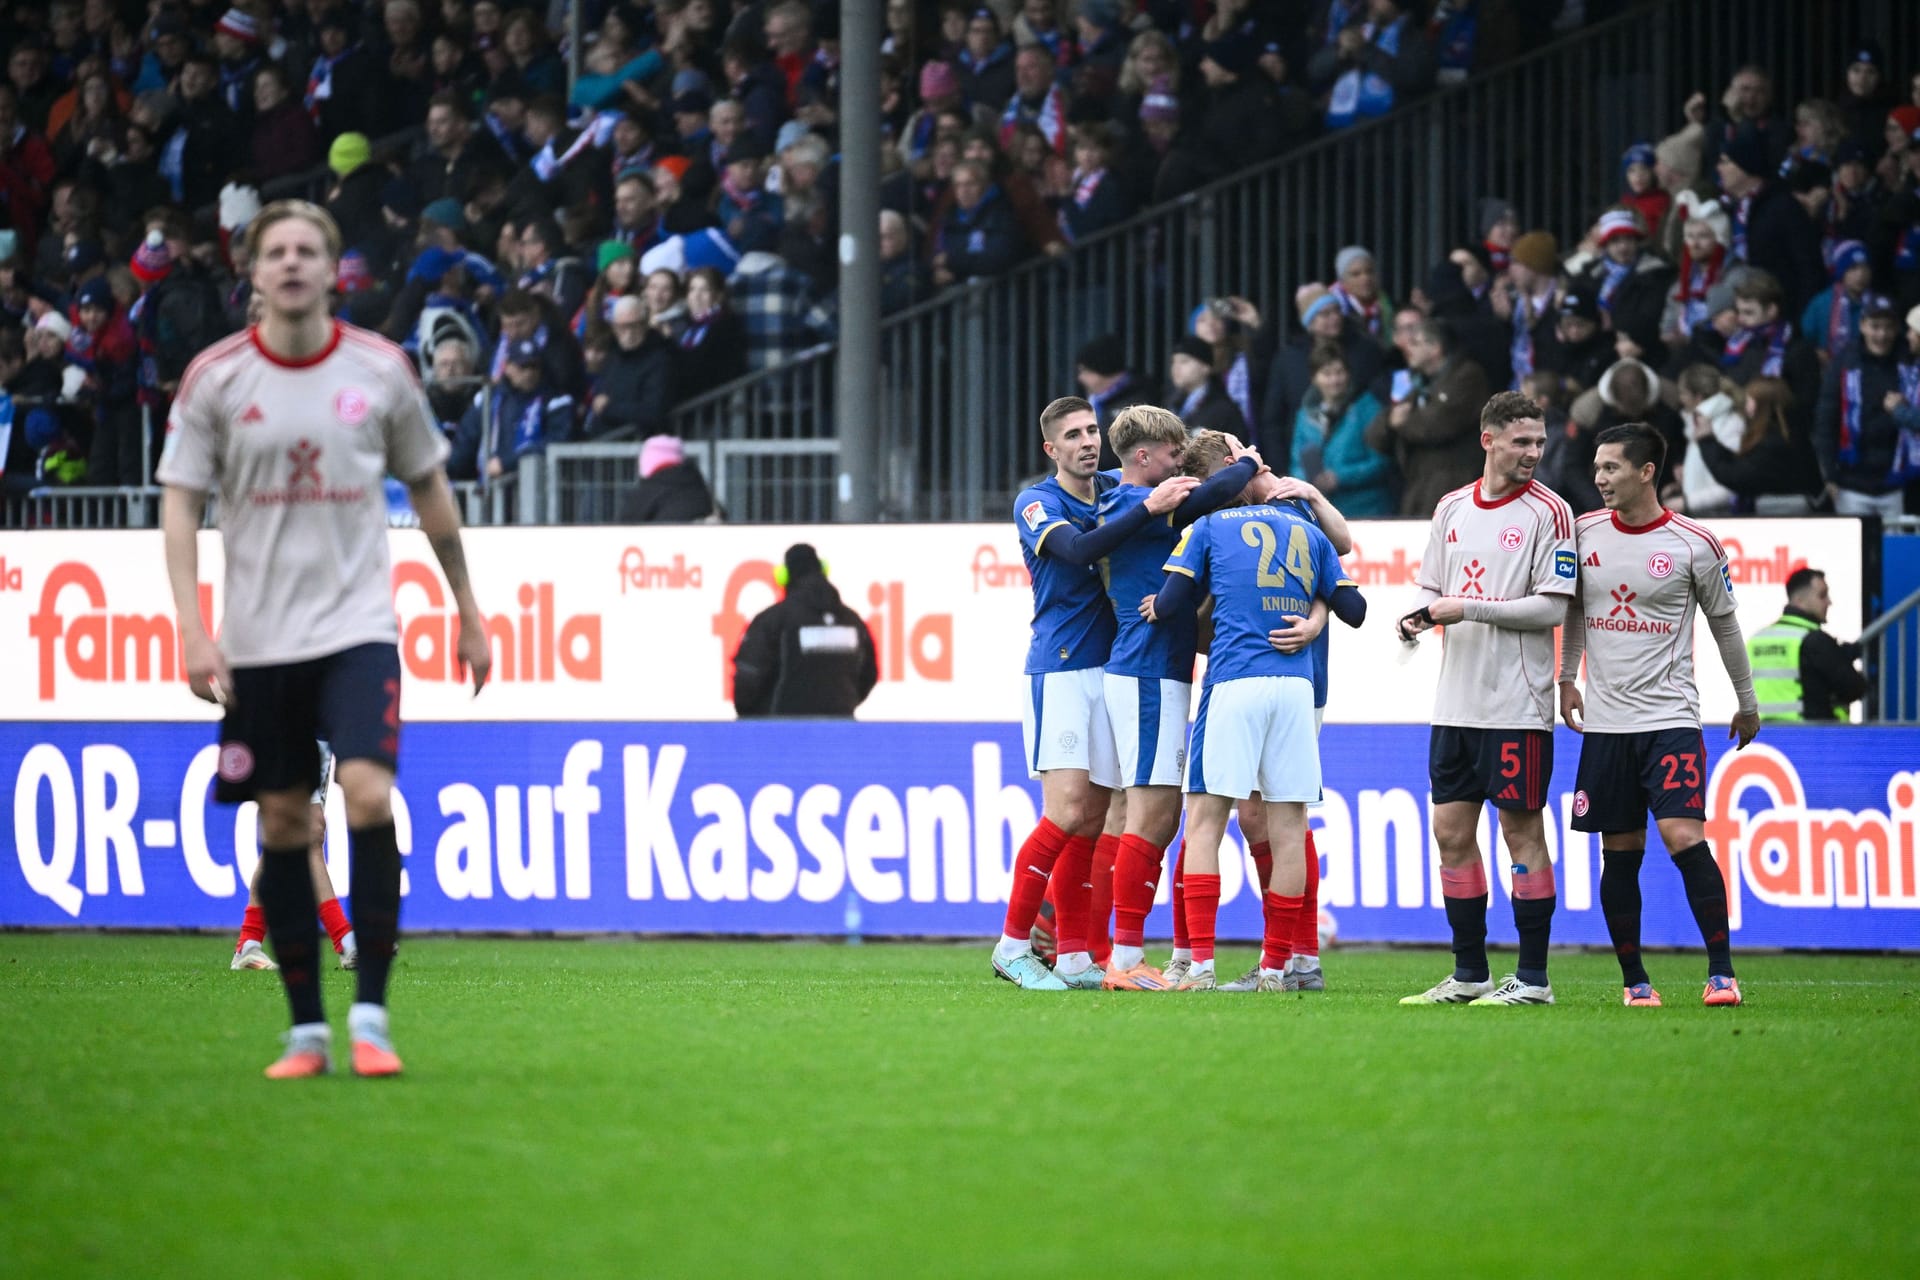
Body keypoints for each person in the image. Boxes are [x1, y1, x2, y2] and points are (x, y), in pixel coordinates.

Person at [158, 200, 491, 1079]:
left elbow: (431, 494)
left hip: (358, 630)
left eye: (310, 249)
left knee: (369, 796)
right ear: (254, 270)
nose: (294, 263)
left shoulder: (381, 372)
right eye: (278, 251)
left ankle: (372, 1016)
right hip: (261, 641)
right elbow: (182, 502)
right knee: (281, 817)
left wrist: (468, 608)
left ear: (333, 267)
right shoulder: (216, 380)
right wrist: (192, 627)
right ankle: (307, 1031)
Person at [992, 396, 1196, 990]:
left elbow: (1168, 480)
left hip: (1112, 669)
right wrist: (1148, 508)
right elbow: (1079, 551)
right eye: (1073, 435)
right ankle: (1012, 944)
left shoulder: (1115, 486)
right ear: (1051, 449)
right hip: (1059, 667)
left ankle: (1077, 953)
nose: (1087, 441)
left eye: (1092, 431)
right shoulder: (1037, 501)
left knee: (1094, 819)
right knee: (1064, 810)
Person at [1558, 422, 1760, 1008]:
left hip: (1670, 717)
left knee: (1681, 835)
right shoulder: (1582, 532)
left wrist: (1746, 703)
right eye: (1596, 468)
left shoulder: (1694, 543)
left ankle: (1721, 973)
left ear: (1647, 472)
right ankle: (1635, 982)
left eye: (1611, 468)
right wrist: (1567, 677)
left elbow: (1724, 624)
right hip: (1606, 725)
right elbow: (1573, 608)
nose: (1599, 479)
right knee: (1619, 851)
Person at [1147, 454, 1364, 991]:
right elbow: (1355, 607)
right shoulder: (1305, 529)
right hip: (1295, 688)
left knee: (1204, 824)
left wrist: (1170, 599)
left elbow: (1172, 602)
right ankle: (1276, 967)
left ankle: (1197, 966)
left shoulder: (1207, 527)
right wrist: (1313, 610)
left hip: (1235, 682)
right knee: (1289, 829)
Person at [1398, 391, 1576, 1006]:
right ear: (1488, 440)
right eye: (1522, 441)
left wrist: (1466, 607)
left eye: (1539, 442)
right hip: (1456, 704)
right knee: (1450, 832)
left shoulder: (1551, 513)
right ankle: (1469, 973)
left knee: (1520, 831)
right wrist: (1418, 619)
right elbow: (1430, 588)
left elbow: (1553, 606)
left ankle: (1532, 980)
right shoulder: (1450, 508)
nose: (1533, 453)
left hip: (1517, 705)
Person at [1094, 406, 1262, 991]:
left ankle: (1123, 953)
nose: (1179, 467)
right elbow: (1210, 490)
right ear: (1144, 457)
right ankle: (1122, 958)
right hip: (1143, 671)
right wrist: (1247, 463)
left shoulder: (1138, 503)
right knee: (1149, 815)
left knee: (1153, 818)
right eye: (1171, 456)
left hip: (1158, 670)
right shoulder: (1127, 501)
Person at [231, 743, 357, 972]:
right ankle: (346, 941)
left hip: (315, 734)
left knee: (289, 836)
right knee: (311, 832)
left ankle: (248, 943)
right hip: (295, 731)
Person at [732, 544, 879, 718]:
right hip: (839, 729)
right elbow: (868, 674)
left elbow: (748, 680)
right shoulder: (852, 621)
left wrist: (757, 719)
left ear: (785, 576)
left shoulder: (774, 620)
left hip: (782, 732)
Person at [1748, 567, 1867, 722]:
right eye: (1822, 595)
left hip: (1767, 736)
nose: (1829, 602)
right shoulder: (1815, 640)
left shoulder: (1757, 639)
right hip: (1809, 737)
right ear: (1799, 601)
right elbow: (1854, 687)